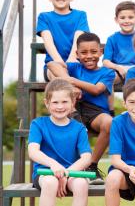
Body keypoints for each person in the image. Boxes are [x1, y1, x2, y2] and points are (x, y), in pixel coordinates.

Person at [47, 32, 115, 184]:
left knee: (110, 123)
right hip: (73, 108)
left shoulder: (107, 72)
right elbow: (51, 65)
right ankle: (76, 162)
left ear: (101, 52)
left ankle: (91, 165)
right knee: (66, 105)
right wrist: (70, 86)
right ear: (77, 54)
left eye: (93, 52)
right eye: (83, 52)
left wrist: (72, 81)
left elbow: (97, 89)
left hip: (96, 111)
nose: (89, 56)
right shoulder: (74, 67)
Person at [28, 78, 91, 206]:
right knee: (51, 182)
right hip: (45, 173)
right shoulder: (38, 124)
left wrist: (65, 174)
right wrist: (53, 165)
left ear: (73, 102)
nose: (60, 106)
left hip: (72, 172)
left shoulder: (79, 128)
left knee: (81, 184)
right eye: (55, 102)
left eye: (64, 101)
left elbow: (86, 158)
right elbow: (33, 151)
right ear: (47, 103)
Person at [36, 0, 89, 82]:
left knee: (92, 76)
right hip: (54, 65)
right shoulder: (44, 17)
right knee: (58, 75)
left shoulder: (80, 15)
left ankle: (73, 87)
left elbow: (79, 38)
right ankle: (71, 85)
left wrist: (72, 59)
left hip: (76, 63)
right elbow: (48, 40)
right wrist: (59, 61)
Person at [103, 1, 135, 115]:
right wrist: (118, 67)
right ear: (116, 19)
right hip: (118, 69)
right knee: (107, 78)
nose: (126, 20)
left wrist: (131, 69)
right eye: (122, 17)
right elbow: (106, 61)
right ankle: (110, 111)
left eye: (130, 17)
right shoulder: (112, 39)